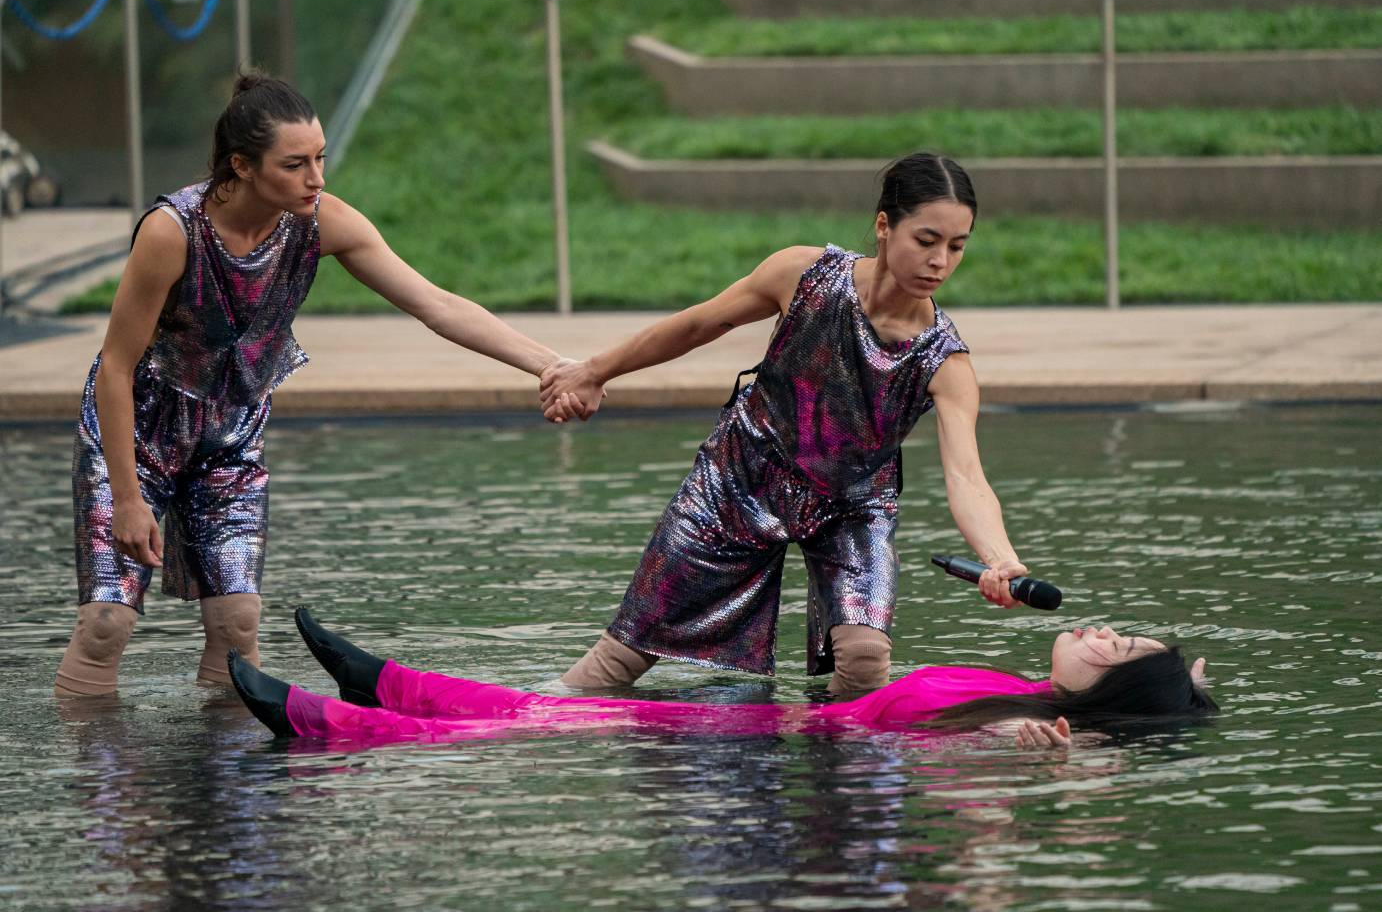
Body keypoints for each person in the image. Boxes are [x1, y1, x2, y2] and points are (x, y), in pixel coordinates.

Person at [54, 72, 581, 697]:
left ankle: (222, 773)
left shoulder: (318, 222)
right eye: (296, 164)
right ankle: (100, 783)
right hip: (137, 437)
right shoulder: (174, 233)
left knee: (238, 623)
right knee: (108, 623)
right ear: (242, 166)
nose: (317, 179)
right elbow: (115, 365)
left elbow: (436, 303)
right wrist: (127, 497)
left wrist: (555, 365)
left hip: (229, 439)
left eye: (321, 158)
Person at [540, 152, 1026, 694]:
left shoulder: (947, 362)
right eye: (927, 239)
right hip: (740, 477)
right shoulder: (804, 275)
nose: (940, 261)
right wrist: (593, 371)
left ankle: (844, 765)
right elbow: (699, 323)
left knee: (865, 658)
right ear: (885, 226)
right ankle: (541, 720)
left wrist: (1000, 558)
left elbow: (966, 476)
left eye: (957, 246)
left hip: (852, 505)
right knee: (621, 657)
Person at [229, 608, 1217, 749]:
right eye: (1121, 631)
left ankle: (333, 724)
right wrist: (1182, 691)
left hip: (767, 748)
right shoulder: (1016, 683)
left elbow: (1061, 788)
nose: (1098, 631)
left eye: (1117, 653)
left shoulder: (1028, 734)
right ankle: (384, 680)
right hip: (769, 723)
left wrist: (1079, 756)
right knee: (557, 708)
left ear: (1110, 699)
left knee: (537, 727)